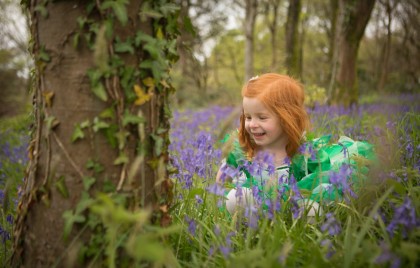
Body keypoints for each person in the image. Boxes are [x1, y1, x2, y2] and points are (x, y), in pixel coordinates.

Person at [216, 73, 375, 216]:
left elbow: (322, 178)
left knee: (311, 210)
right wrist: (220, 185)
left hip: (289, 208)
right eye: (248, 117)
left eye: (262, 118)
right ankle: (246, 232)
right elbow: (224, 174)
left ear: (287, 118)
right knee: (234, 198)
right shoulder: (245, 151)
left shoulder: (303, 155)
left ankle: (299, 236)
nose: (252, 124)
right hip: (255, 209)